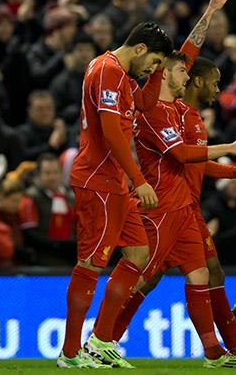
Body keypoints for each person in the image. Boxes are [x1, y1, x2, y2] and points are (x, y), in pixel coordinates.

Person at [97, 0, 236, 369]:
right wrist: (230, 149)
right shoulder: (152, 111)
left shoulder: (178, 108)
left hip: (183, 209)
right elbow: (182, 154)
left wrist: (210, 12)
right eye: (180, 71)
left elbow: (188, 50)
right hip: (161, 206)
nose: (187, 75)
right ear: (165, 74)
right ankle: (101, 340)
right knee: (140, 277)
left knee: (200, 275)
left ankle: (214, 353)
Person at [57, 21, 172, 369]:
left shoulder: (118, 73)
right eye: (153, 61)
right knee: (91, 263)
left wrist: (159, 68)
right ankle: (70, 353)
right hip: (99, 180)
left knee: (138, 254)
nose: (153, 69)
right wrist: (140, 180)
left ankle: (100, 341)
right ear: (139, 49)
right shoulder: (108, 71)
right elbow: (110, 132)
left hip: (115, 182)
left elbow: (146, 103)